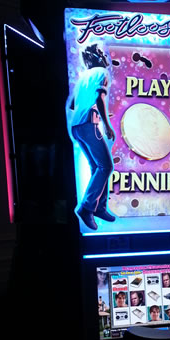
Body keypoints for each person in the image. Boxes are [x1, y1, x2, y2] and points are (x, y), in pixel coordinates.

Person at [66, 43, 116, 231]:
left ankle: (99, 208)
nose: (105, 57)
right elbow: (99, 98)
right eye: (102, 54)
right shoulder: (102, 72)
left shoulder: (83, 77)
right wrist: (107, 125)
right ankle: (87, 207)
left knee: (97, 167)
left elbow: (72, 104)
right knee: (106, 166)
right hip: (89, 123)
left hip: (77, 126)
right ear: (97, 57)